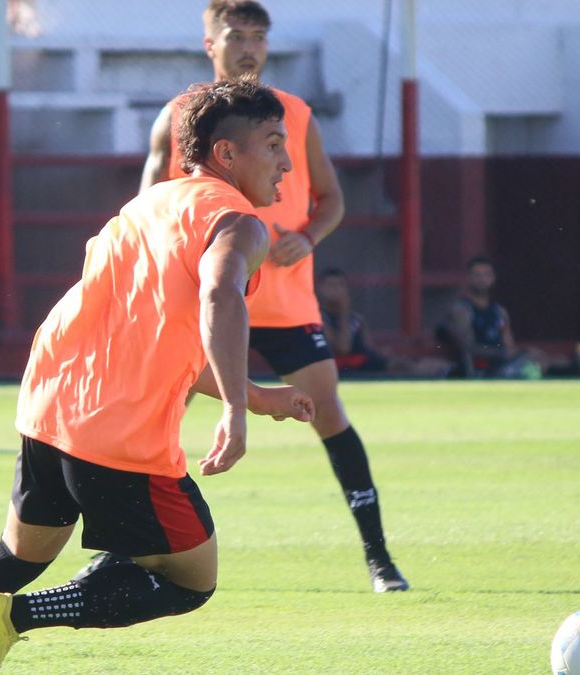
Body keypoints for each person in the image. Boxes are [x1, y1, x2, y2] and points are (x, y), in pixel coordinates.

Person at [0, 78, 316, 675]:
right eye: (273, 144)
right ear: (226, 154)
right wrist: (236, 415)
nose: (287, 161)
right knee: (189, 581)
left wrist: (252, 395)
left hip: (49, 409)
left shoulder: (149, 204)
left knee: (14, 556)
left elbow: (157, 342)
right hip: (118, 438)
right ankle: (16, 617)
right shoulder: (240, 224)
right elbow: (220, 296)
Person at [118, 0, 408, 593]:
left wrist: (306, 236)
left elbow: (332, 200)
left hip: (284, 302)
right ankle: (120, 551)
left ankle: (379, 557)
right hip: (199, 304)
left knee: (328, 414)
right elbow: (145, 216)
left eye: (258, 37)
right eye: (235, 35)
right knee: (157, 419)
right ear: (210, 44)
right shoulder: (178, 120)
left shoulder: (294, 115)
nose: (248, 47)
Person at [435, 256, 580, 379]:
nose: (482, 279)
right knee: (531, 365)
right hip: (481, 367)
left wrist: (519, 352)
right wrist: (505, 353)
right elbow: (468, 348)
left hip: (503, 362)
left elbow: (508, 344)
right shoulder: (462, 310)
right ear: (469, 278)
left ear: (493, 278)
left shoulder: (499, 311)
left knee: (546, 358)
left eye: (486, 275)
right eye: (477, 275)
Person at [316, 267, 451, 377]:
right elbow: (342, 348)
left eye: (341, 285)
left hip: (363, 361)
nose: (337, 290)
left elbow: (368, 347)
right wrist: (344, 311)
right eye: (331, 285)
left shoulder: (356, 319)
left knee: (400, 363)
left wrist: (383, 353)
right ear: (320, 288)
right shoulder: (317, 316)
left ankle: (442, 371)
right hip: (338, 366)